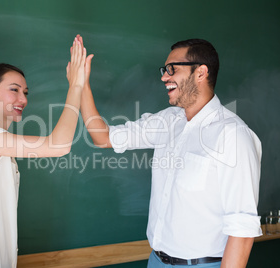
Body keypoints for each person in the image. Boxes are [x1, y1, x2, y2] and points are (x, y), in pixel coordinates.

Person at [79, 36, 262, 267]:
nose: (164, 77)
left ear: (200, 72)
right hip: (156, 261)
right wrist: (81, 85)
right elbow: (103, 137)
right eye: (164, 70)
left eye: (171, 69)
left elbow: (242, 230)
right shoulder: (168, 121)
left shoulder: (233, 135)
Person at [0, 36, 87, 268]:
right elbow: (59, 146)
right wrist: (76, 86)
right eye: (14, 90)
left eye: (26, 92)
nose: (23, 99)